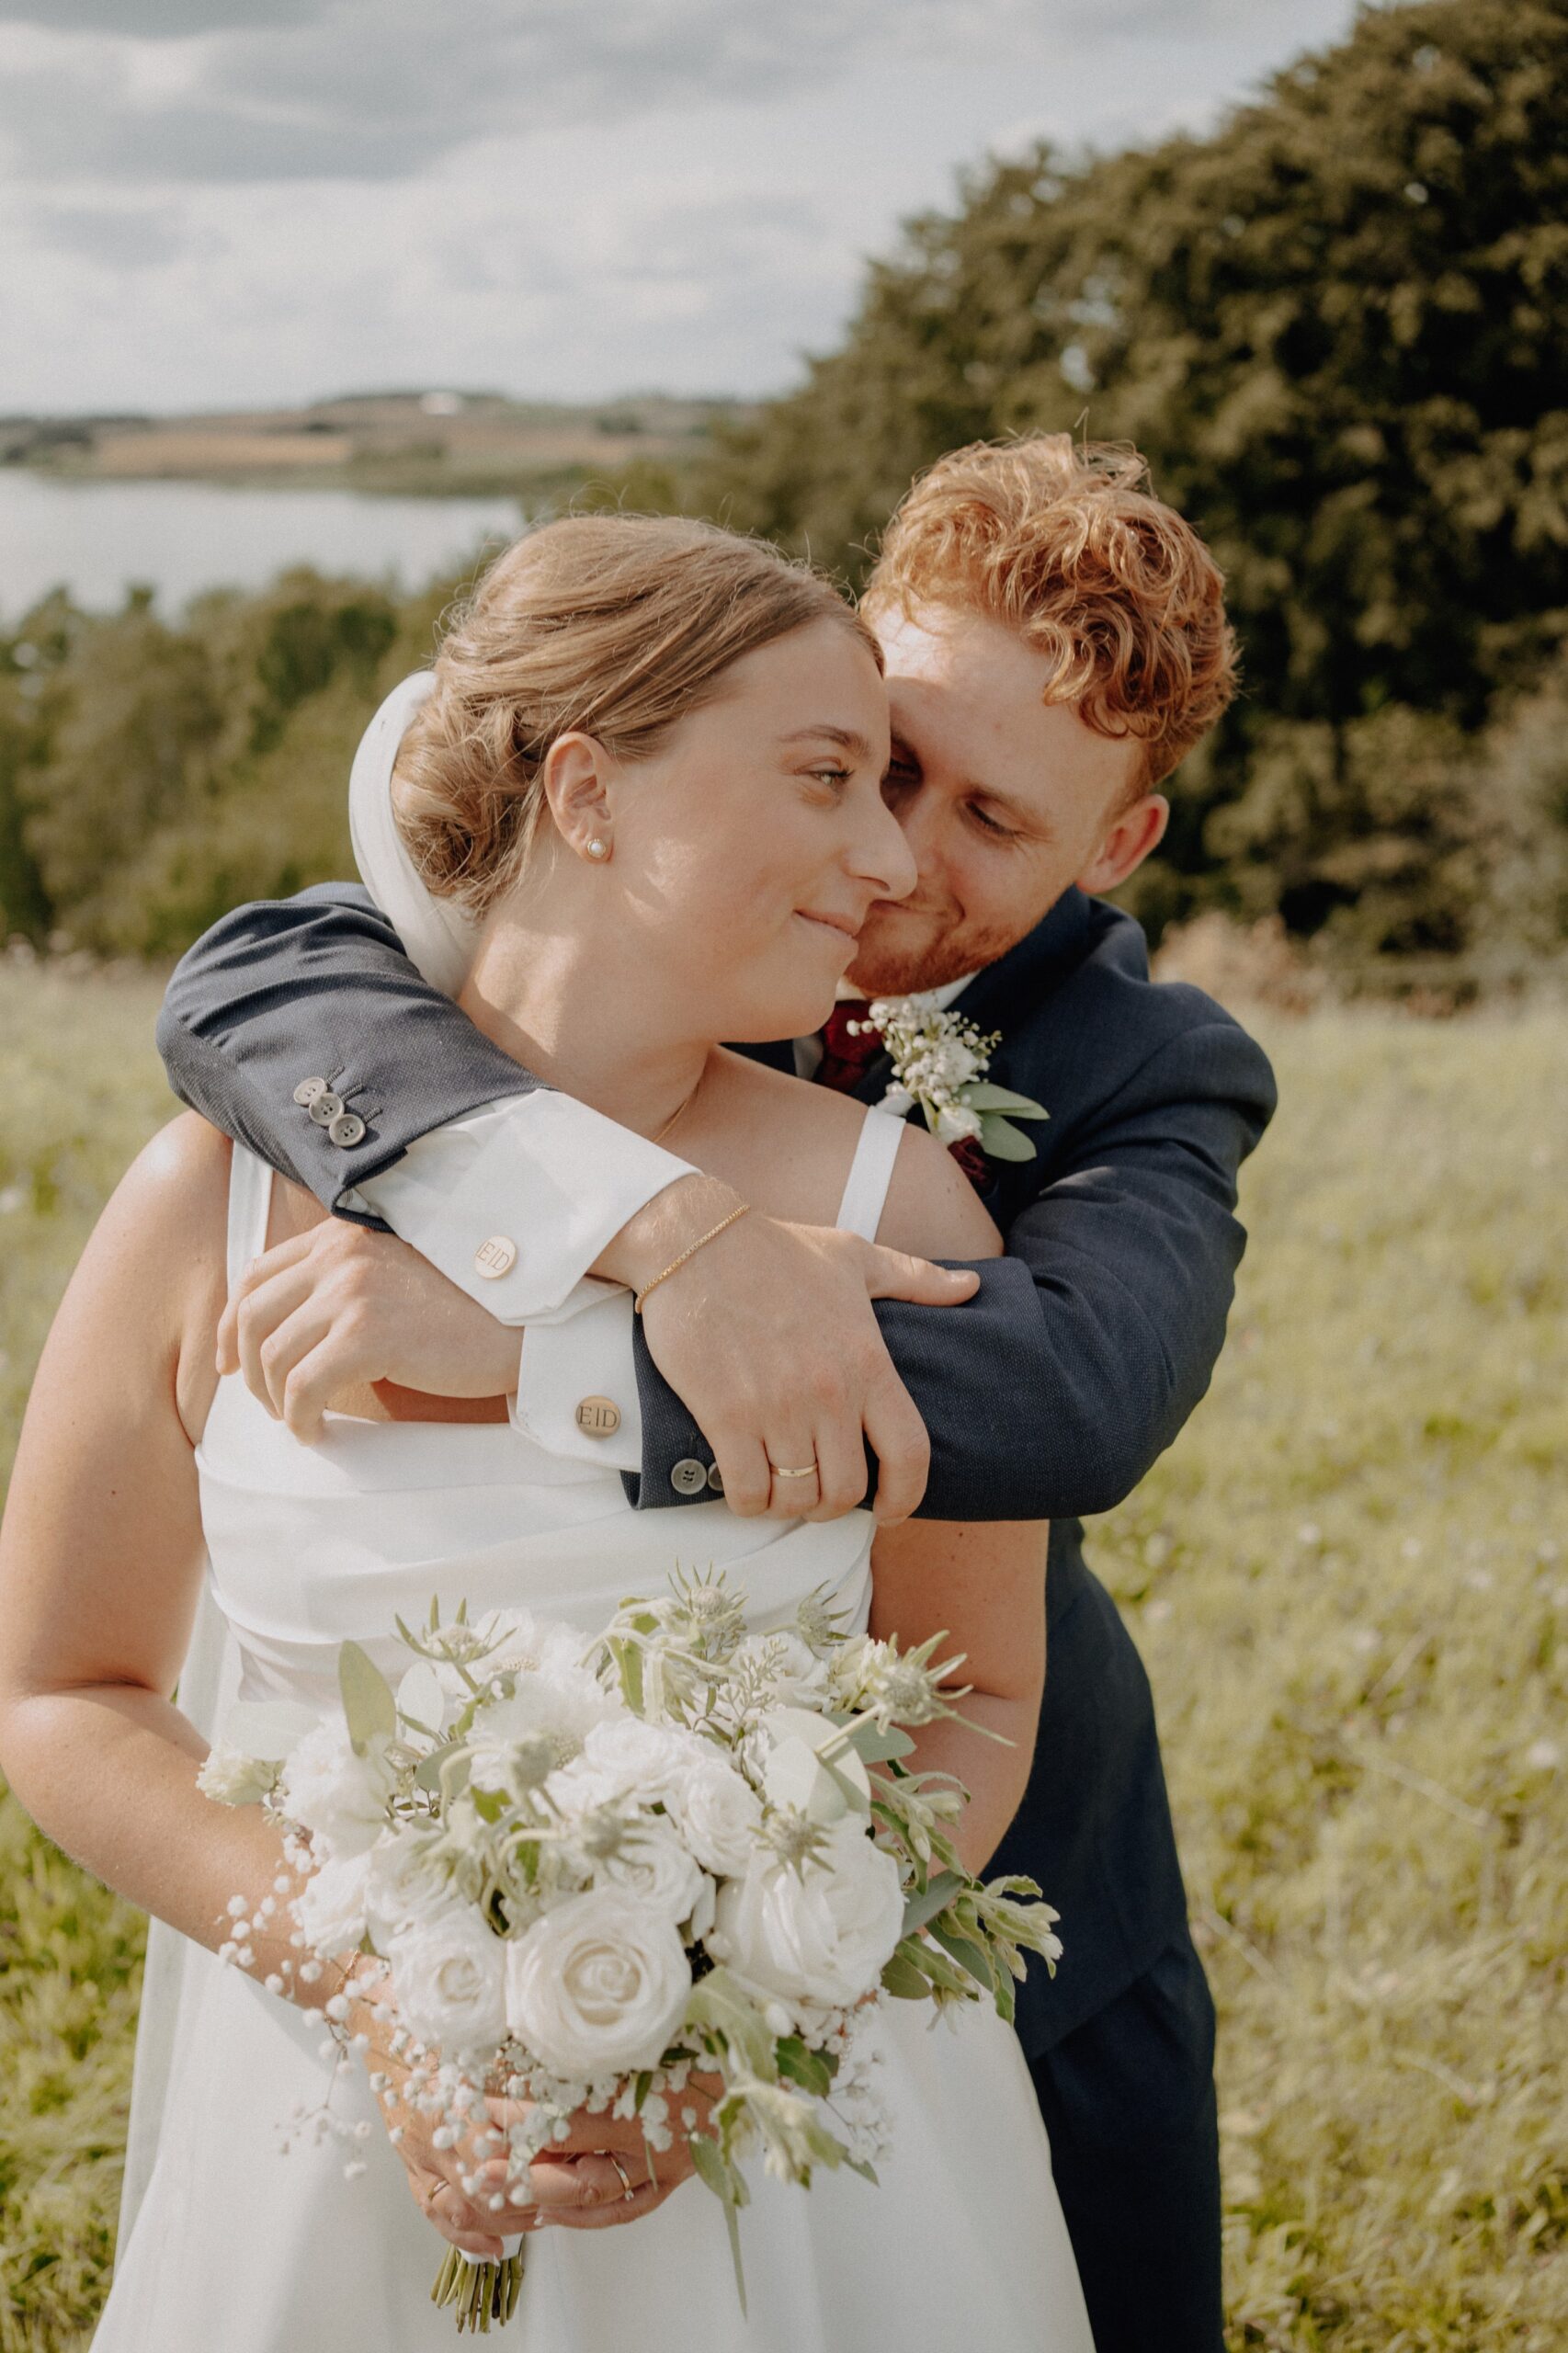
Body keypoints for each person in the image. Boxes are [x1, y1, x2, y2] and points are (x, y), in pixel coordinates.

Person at [157, 438, 1278, 2352]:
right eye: (877, 758)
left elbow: (1076, 1392)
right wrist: (655, 1227)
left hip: (985, 1868)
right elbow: (246, 982)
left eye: (989, 816)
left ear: (1115, 847)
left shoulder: (1145, 1068)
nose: (893, 850)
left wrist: (545, 1352)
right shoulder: (502, 937)